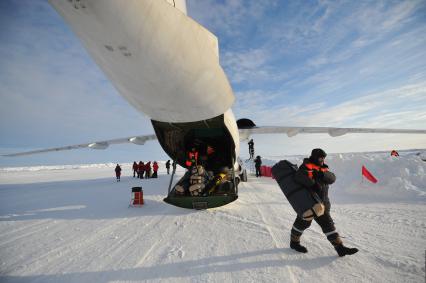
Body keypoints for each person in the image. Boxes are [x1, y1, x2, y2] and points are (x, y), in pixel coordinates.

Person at [290, 148, 358, 257]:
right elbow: (298, 177)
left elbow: (333, 178)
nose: (322, 160)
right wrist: (312, 183)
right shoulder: (306, 166)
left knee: (328, 224)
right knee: (302, 223)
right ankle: (294, 242)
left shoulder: (323, 168)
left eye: (323, 157)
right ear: (314, 157)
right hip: (310, 202)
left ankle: (340, 248)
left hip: (323, 203)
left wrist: (322, 175)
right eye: (320, 157)